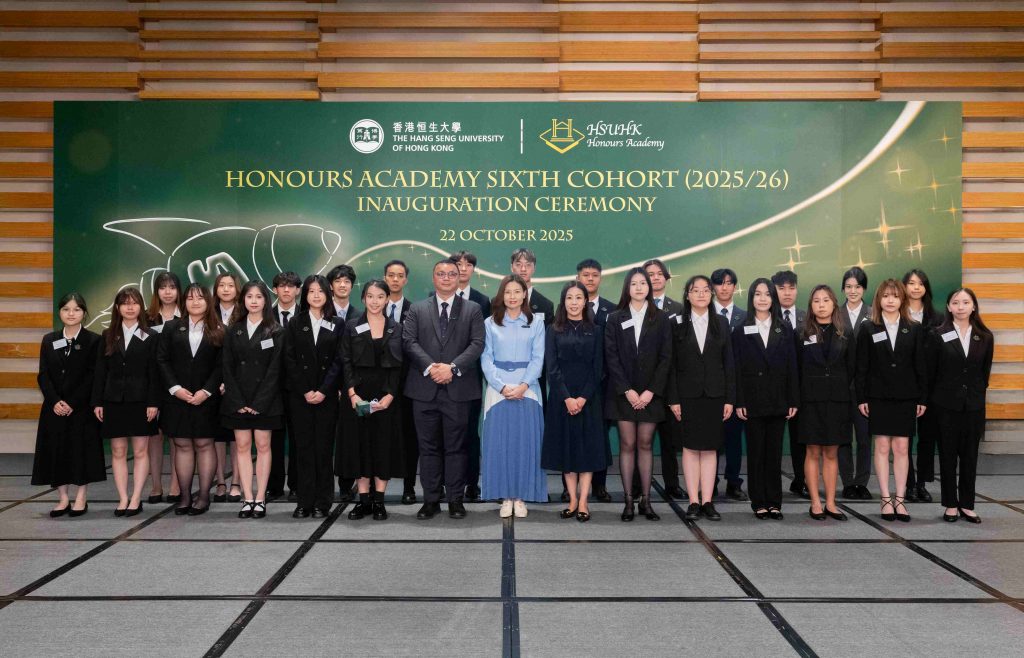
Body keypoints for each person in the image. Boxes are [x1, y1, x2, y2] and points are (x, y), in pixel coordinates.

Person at [402, 258, 486, 520]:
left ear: (459, 277)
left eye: (452, 274)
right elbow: (409, 341)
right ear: (433, 278)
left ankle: (456, 500)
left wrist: (451, 368)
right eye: (441, 274)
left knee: (456, 447)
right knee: (428, 448)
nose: (447, 278)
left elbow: (477, 343)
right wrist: (432, 367)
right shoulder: (417, 309)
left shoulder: (472, 309)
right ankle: (430, 500)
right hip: (423, 389)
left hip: (458, 389)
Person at [856, 279, 928, 523]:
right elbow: (861, 367)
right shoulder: (868, 328)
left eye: (895, 296)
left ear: (902, 300)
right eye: (885, 296)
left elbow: (921, 365)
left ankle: (900, 499)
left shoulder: (914, 328)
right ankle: (885, 498)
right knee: (882, 446)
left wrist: (922, 397)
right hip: (878, 396)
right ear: (879, 300)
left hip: (907, 396)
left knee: (902, 448)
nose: (890, 300)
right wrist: (862, 397)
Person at [605, 267, 672, 522]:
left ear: (650, 287)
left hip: (650, 394)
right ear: (627, 288)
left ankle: (646, 500)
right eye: (634, 284)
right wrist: (628, 390)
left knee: (645, 444)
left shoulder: (661, 318)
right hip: (624, 393)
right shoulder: (615, 317)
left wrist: (650, 391)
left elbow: (666, 358)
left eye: (643, 283)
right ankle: (629, 501)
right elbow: (611, 357)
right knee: (627, 445)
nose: (639, 288)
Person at [667, 275, 735, 522]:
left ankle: (708, 501)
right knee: (690, 449)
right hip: (687, 396)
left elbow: (729, 364)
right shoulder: (676, 323)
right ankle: (693, 501)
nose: (701, 294)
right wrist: (673, 399)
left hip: (715, 395)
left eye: (706, 290)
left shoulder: (721, 323)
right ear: (687, 295)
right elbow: (671, 365)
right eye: (696, 290)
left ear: (711, 294)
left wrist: (730, 399)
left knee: (710, 449)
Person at [480, 275, 547, 518]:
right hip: (498, 392)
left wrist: (523, 384)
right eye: (507, 292)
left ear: (524, 294)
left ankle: (520, 496)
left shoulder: (536, 322)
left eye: (517, 291)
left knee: (525, 444)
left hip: (527, 390)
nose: (512, 296)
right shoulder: (489, 323)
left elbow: (538, 357)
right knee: (499, 444)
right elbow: (485, 357)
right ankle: (504, 497)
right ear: (501, 295)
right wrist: (501, 386)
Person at [32, 292, 104, 517]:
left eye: (76, 309)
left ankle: (81, 497)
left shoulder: (94, 340)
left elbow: (93, 376)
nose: (71, 314)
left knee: (81, 452)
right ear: (59, 312)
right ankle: (62, 498)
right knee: (56, 451)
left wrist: (73, 402)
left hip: (81, 409)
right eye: (66, 309)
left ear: (84, 312)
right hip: (54, 408)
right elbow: (43, 375)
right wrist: (54, 401)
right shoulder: (49, 340)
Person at [338, 280, 405, 521]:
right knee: (359, 447)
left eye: (380, 296)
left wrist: (389, 396)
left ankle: (379, 501)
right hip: (357, 395)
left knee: (382, 447)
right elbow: (345, 361)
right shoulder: (351, 326)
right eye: (370, 296)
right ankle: (363, 500)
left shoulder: (396, 328)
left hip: (386, 395)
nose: (375, 301)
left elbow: (399, 367)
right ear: (363, 299)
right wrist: (352, 394)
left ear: (387, 299)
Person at [732, 279, 798, 520]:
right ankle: (758, 501)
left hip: (778, 400)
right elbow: (736, 369)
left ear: (773, 298)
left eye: (767, 294)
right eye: (757, 294)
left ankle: (774, 502)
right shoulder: (741, 329)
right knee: (756, 453)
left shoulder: (784, 328)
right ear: (751, 298)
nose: (762, 299)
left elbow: (792, 366)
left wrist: (793, 399)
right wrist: (739, 401)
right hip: (752, 401)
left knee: (774, 454)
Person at [541, 282, 607, 522]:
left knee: (587, 452)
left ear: (586, 302)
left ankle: (584, 502)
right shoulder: (554, 329)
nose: (574, 302)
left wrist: (582, 397)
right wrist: (567, 397)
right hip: (561, 399)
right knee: (567, 452)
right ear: (563, 301)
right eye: (569, 298)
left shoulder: (597, 330)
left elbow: (598, 368)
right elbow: (552, 367)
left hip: (589, 400)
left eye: (579, 298)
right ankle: (571, 500)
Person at [92, 286, 161, 517]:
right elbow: (100, 372)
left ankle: (135, 498)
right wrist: (97, 402)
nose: (130, 307)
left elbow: (155, 373)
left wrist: (154, 402)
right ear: (118, 308)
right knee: (118, 451)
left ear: (141, 307)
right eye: (125, 303)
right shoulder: (108, 335)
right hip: (113, 401)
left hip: (142, 402)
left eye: (134, 303)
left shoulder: (151, 336)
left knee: (141, 451)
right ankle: (122, 497)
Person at [157, 283, 223, 516]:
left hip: (207, 398)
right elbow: (162, 360)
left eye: (200, 298)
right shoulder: (171, 327)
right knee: (182, 444)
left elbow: (221, 366)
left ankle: (204, 496)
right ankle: (185, 496)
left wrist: (206, 391)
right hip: (177, 398)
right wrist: (175, 388)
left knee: (205, 444)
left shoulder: (220, 329)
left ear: (208, 301)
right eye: (190, 298)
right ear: (183, 302)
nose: (195, 302)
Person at [221, 281, 285, 519]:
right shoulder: (233, 330)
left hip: (266, 402)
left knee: (264, 446)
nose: (254, 301)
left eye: (259, 297)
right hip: (237, 400)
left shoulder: (276, 331)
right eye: (250, 297)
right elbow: (227, 367)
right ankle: (247, 498)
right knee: (242, 447)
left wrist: (259, 402)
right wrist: (238, 401)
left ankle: (260, 498)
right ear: (243, 301)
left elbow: (275, 370)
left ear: (266, 301)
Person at [929, 288, 994, 524]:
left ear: (974, 306)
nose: (960, 306)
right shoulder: (938, 334)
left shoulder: (985, 336)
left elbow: (984, 374)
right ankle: (950, 505)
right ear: (948, 307)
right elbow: (932, 371)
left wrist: (974, 394)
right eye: (955, 302)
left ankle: (967, 504)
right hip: (945, 405)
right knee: (947, 456)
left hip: (974, 406)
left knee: (970, 456)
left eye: (966, 302)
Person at [284, 275, 343, 519]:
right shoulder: (295, 323)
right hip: (301, 397)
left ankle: (323, 502)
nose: (316, 295)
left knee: (323, 450)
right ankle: (304, 501)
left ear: (327, 294)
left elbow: (340, 360)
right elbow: (289, 359)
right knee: (303, 449)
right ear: (304, 295)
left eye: (320, 291)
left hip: (327, 397)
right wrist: (306, 390)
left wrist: (323, 390)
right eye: (311, 291)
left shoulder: (337, 323)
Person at [796, 285, 855, 521]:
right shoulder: (801, 333)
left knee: (831, 453)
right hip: (810, 400)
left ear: (834, 304)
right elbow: (797, 369)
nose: (821, 304)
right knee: (812, 451)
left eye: (826, 300)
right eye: (816, 301)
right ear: (811, 306)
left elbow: (852, 369)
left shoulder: (846, 333)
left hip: (838, 400)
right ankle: (815, 503)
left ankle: (831, 502)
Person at [644, 258, 686, 500]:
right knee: (642, 443)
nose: (655, 277)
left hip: (670, 385)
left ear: (666, 279)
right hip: (644, 387)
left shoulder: (679, 310)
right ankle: (640, 486)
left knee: (670, 443)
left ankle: (672, 484)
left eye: (660, 274)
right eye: (650, 274)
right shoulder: (637, 308)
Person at [574, 258, 615, 503]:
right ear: (578, 277)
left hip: (602, 385)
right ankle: (572, 487)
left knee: (599, 436)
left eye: (594, 275)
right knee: (574, 435)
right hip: (573, 385)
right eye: (585, 275)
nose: (590, 279)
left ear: (601, 278)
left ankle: (599, 484)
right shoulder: (568, 307)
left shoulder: (612, 310)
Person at [453, 250, 490, 502]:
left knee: (469, 432)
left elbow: (483, 342)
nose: (463, 269)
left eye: (468, 265)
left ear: (473, 270)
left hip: (471, 377)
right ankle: (449, 483)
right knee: (446, 433)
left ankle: (471, 483)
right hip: (441, 376)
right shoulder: (435, 297)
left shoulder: (482, 300)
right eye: (458, 264)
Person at [903, 268, 941, 503]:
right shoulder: (896, 314)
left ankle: (921, 483)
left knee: (927, 437)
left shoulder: (938, 318)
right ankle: (907, 483)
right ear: (904, 287)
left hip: (932, 387)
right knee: (904, 437)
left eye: (920, 283)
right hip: (904, 386)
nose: (916, 287)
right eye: (911, 283)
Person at [384, 259, 420, 506]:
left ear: (405, 280)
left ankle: (408, 487)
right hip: (378, 386)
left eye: (399, 276)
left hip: (407, 385)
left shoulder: (415, 310)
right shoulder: (371, 308)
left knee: (409, 438)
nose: (395, 279)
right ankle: (377, 489)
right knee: (379, 437)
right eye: (390, 275)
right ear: (385, 278)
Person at [144, 271, 182, 504]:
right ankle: (156, 485)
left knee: (177, 437)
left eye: (172, 287)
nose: (167, 292)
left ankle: (176, 484)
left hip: (178, 385)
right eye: (162, 287)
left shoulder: (187, 316)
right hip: (151, 384)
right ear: (156, 291)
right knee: (153, 437)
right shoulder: (147, 319)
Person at [712, 267, 748, 502]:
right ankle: (710, 482)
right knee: (710, 439)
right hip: (710, 387)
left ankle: (733, 482)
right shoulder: (702, 315)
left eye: (728, 283)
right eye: (719, 283)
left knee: (734, 439)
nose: (724, 288)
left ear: (735, 287)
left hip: (736, 387)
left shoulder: (746, 317)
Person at [838, 266, 873, 501]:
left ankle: (862, 482)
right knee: (843, 438)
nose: (853, 291)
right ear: (843, 289)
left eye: (857, 287)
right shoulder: (834, 314)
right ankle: (848, 483)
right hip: (840, 387)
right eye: (849, 287)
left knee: (863, 438)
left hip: (865, 389)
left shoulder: (874, 313)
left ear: (864, 289)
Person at [773, 270, 808, 500]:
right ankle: (771, 482)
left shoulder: (808, 317)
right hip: (774, 389)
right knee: (772, 440)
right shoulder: (766, 317)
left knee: (800, 439)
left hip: (802, 389)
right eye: (782, 288)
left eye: (791, 288)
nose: (787, 293)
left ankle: (801, 480)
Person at [327, 264, 359, 501]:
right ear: (331, 286)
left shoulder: (361, 316)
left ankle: (347, 482)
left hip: (352, 387)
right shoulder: (321, 313)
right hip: (324, 387)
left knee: (349, 437)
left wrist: (347, 388)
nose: (342, 285)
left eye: (347, 281)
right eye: (338, 281)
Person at [269, 271, 302, 500]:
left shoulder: (307, 315)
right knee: (273, 440)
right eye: (282, 286)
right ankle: (274, 485)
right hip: (271, 389)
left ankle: (297, 484)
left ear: (298, 290)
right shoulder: (264, 315)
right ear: (275, 290)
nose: (287, 290)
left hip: (300, 388)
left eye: (291, 286)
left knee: (299, 438)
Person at [213, 272, 242, 503]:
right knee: (217, 437)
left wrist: (231, 382)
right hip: (212, 385)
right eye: (221, 285)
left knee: (237, 438)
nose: (225, 289)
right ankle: (220, 481)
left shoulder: (244, 314)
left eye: (230, 285)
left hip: (239, 385)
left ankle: (237, 482)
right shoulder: (208, 314)